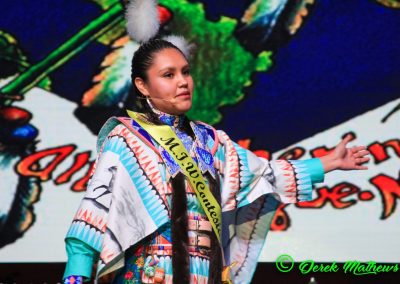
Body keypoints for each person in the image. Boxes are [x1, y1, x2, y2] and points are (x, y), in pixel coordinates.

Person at [62, 38, 370, 284]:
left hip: (204, 271)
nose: (183, 82)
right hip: (151, 273)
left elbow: (264, 175)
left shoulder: (211, 141)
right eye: (168, 75)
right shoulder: (127, 140)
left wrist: (327, 163)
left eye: (185, 72)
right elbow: (93, 216)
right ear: (142, 86)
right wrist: (75, 278)